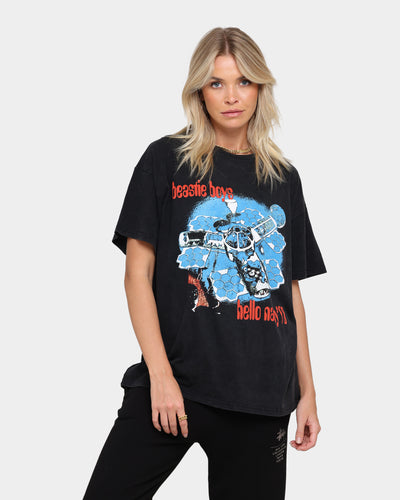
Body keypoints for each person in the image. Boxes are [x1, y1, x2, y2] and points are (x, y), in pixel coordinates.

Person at [82, 26, 327, 500]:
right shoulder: (166, 159)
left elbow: (290, 293)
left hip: (261, 395)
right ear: (199, 91)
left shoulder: (283, 177)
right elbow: (137, 275)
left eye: (244, 82)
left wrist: (308, 392)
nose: (232, 96)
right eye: (217, 83)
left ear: (260, 88)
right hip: (176, 382)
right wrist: (160, 377)